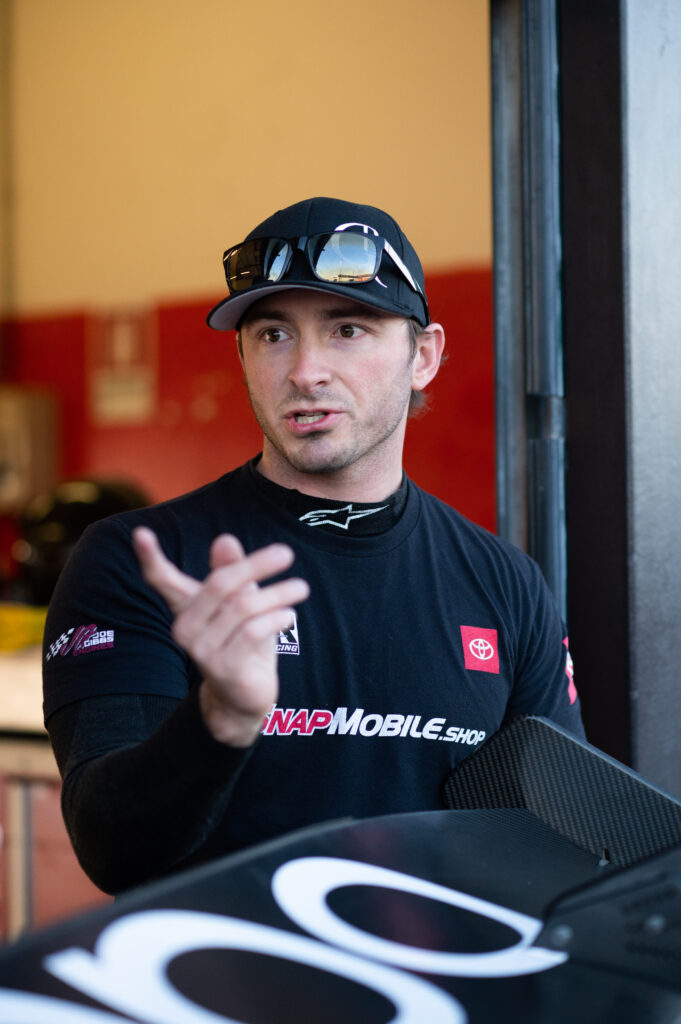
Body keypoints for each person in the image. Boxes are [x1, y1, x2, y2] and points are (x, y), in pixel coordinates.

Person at [42, 197, 585, 895]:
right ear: (243, 356)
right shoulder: (142, 560)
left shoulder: (505, 583)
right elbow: (111, 848)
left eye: (347, 330)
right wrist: (220, 720)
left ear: (423, 356)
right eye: (273, 334)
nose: (305, 371)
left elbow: (559, 839)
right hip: (223, 964)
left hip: (438, 964)